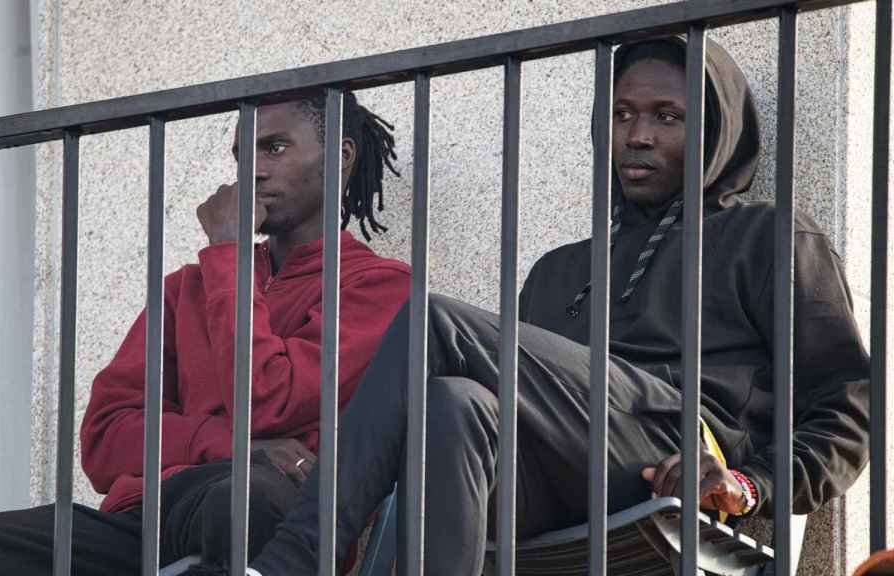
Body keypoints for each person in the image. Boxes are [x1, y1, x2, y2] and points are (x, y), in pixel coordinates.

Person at [247, 37, 871, 576]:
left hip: (679, 454)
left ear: (713, 130)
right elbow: (528, 407)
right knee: (453, 404)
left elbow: (846, 411)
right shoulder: (561, 271)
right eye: (622, 114)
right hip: (566, 476)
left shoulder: (767, 236)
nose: (638, 136)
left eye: (667, 117)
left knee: (430, 321)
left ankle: (294, 561)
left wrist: (750, 484)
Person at [0, 93, 410, 575]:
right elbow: (103, 435)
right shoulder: (185, 287)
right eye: (241, 154)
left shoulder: (380, 288)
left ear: (340, 156)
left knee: (243, 503)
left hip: (259, 506)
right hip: (148, 509)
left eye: (274, 147)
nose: (253, 169)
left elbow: (267, 398)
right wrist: (232, 445)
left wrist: (228, 253)